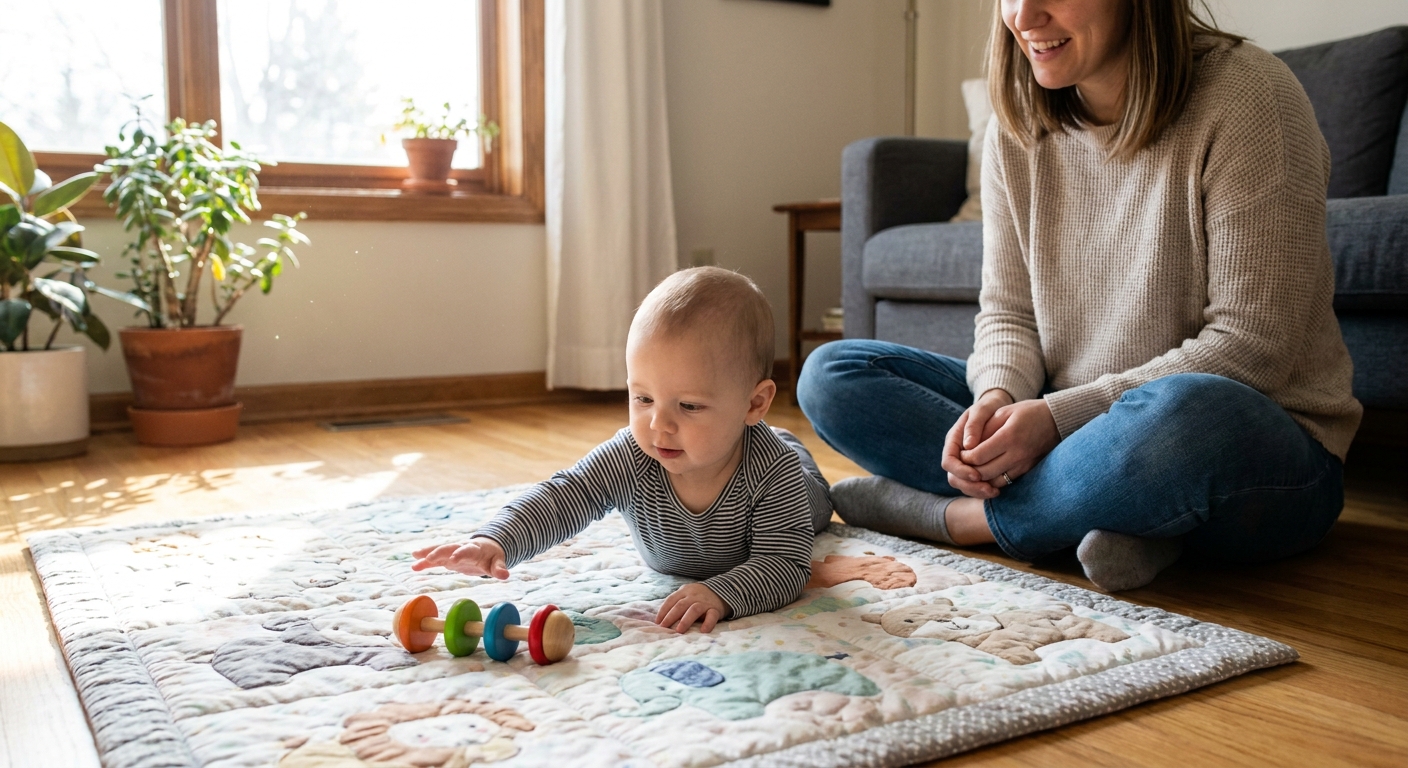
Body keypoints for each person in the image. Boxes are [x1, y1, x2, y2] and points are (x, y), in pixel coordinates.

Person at [798, 0, 1361, 592]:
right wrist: (998, 399)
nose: (1023, 15)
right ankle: (1120, 520)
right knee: (833, 374)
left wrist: (1055, 419)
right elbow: (1009, 313)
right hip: (1082, 426)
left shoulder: (1251, 97)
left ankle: (964, 520)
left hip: (1255, 447)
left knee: (1187, 415)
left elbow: (1253, 348)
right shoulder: (1015, 125)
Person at [412, 267, 832, 633]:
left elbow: (785, 565)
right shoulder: (632, 454)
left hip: (797, 483)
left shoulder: (771, 470)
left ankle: (811, 465)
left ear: (754, 403)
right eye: (643, 399)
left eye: (688, 406)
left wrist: (722, 592)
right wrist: (497, 539)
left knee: (819, 501)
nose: (659, 425)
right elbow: (564, 497)